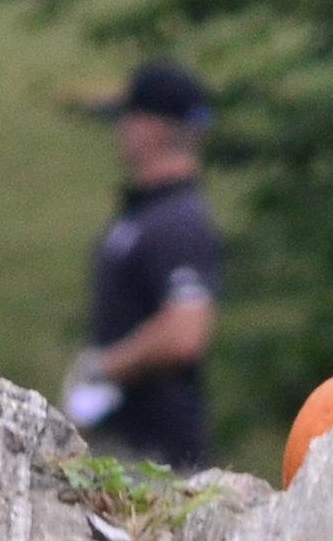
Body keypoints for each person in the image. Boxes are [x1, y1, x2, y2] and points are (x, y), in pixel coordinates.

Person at [64, 59, 223, 470]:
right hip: (131, 446)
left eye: (125, 119)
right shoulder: (149, 214)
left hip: (156, 454)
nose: (118, 131)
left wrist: (103, 368)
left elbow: (185, 333)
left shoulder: (178, 222)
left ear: (149, 127)